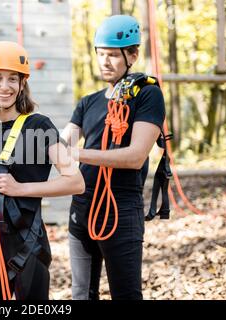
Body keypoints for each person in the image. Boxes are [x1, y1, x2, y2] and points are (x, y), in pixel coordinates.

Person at [0, 41, 85, 300]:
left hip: (26, 245)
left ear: (22, 85)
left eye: (12, 79)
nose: (4, 86)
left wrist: (21, 188)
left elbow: (76, 182)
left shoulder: (39, 126)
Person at [61, 15, 167, 300]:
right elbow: (62, 143)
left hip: (120, 208)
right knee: (81, 295)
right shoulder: (88, 102)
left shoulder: (148, 95)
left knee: (125, 295)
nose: (105, 62)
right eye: (100, 54)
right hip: (82, 207)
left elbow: (135, 156)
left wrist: (76, 154)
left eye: (112, 55)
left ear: (132, 55)